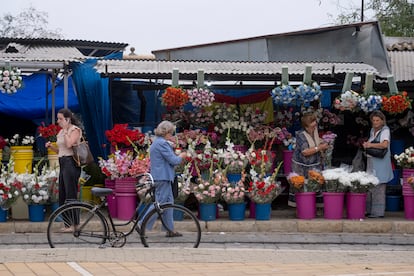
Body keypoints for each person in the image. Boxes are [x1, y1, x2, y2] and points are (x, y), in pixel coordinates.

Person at [141, 120, 187, 237]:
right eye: (171, 133)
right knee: (160, 204)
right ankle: (142, 225)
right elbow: (174, 160)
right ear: (166, 132)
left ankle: (169, 229)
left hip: (162, 176)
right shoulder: (162, 144)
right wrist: (181, 156)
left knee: (168, 203)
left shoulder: (157, 143)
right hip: (163, 177)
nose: (171, 135)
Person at [45, 108, 82, 231]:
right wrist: (51, 147)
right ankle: (67, 224)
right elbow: (61, 150)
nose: (58, 121)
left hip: (71, 163)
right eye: (58, 118)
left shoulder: (74, 130)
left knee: (71, 194)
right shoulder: (61, 132)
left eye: (61, 118)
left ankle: (75, 224)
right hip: (63, 162)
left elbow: (69, 145)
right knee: (63, 194)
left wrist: (66, 130)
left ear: (67, 119)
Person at [288, 112, 329, 207]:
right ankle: (303, 206)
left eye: (315, 122)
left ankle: (314, 207)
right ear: (306, 125)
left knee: (316, 184)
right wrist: (319, 148)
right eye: (312, 123)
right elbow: (305, 152)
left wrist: (324, 142)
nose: (315, 125)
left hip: (314, 164)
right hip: (301, 166)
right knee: (301, 185)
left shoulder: (314, 131)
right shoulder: (301, 135)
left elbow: (316, 141)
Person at [363, 110, 393, 218]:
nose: (375, 122)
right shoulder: (372, 130)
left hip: (381, 163)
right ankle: (369, 210)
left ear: (382, 121)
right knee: (370, 186)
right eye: (374, 120)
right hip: (372, 162)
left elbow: (384, 145)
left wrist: (370, 145)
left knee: (379, 186)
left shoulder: (385, 130)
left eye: (378, 120)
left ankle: (377, 213)